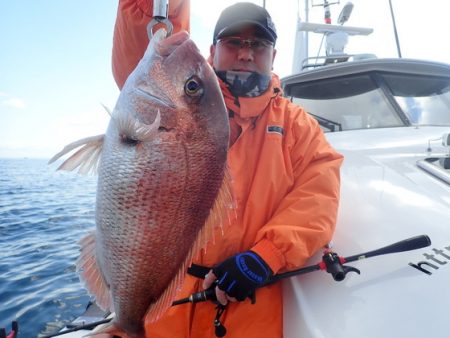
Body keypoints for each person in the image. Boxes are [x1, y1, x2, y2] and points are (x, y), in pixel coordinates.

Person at [112, 2, 343, 337]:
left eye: (258, 45)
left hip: (249, 306)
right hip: (162, 299)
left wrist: (266, 256)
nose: (246, 54)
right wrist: (152, 8)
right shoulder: (174, 88)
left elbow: (318, 195)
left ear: (273, 56)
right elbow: (145, 47)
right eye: (234, 42)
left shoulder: (298, 126)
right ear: (213, 51)